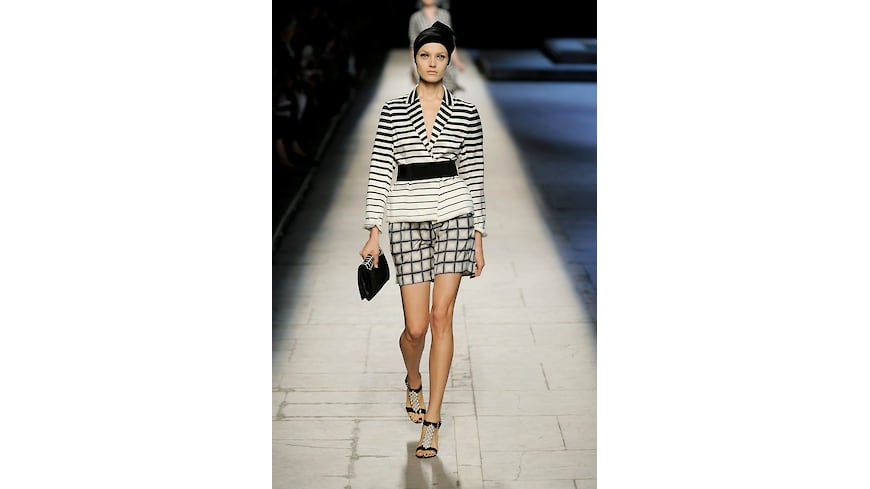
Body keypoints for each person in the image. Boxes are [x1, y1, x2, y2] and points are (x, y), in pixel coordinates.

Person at [359, 21, 486, 459]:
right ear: (414, 59)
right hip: (406, 219)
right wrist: (373, 231)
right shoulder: (393, 110)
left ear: (449, 61)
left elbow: (475, 174)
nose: (432, 63)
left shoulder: (466, 111)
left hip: (454, 215)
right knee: (415, 329)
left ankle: (433, 419)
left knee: (440, 318)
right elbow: (381, 169)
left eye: (440, 56)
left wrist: (479, 235)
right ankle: (413, 378)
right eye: (425, 55)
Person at [408, 0, 466, 92]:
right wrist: (414, 65)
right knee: (428, 91)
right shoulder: (415, 17)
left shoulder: (444, 14)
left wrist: (457, 62)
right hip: (425, 60)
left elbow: (450, 40)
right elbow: (413, 43)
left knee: (448, 91)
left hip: (443, 59)